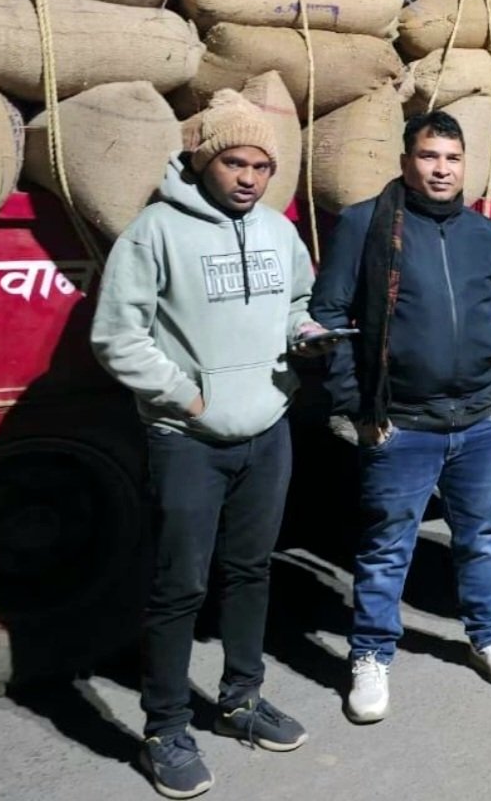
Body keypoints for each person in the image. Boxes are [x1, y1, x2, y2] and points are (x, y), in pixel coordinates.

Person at [91, 89, 320, 800]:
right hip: (188, 439)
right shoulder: (155, 231)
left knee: (251, 572)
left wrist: (307, 335)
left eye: (261, 166)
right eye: (234, 163)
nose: (249, 178)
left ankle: (241, 699)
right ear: (203, 162)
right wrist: (185, 396)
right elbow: (116, 335)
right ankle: (165, 729)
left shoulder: (279, 231)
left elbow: (297, 303)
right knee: (179, 587)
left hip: (268, 431)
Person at [310, 109, 491, 726]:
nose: (442, 169)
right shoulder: (365, 224)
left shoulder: (484, 234)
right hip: (401, 421)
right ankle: (371, 654)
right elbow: (330, 317)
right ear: (406, 161)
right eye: (430, 156)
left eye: (453, 159)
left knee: (479, 537)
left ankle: (489, 635)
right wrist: (358, 406)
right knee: (386, 547)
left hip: (480, 422)